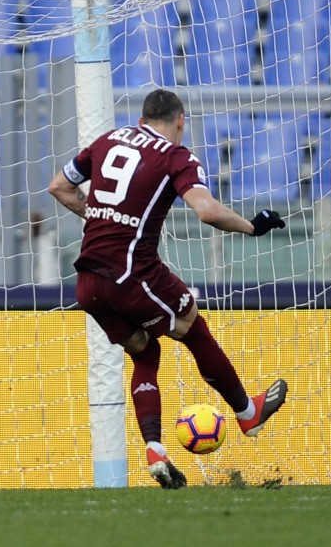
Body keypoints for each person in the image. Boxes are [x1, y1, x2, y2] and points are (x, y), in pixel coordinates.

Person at [47, 88, 289, 489]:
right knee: (192, 324)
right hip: (132, 273)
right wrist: (252, 225)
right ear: (180, 121)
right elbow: (207, 210)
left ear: (142, 118)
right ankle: (248, 413)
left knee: (146, 349)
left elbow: (58, 187)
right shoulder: (175, 155)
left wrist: (103, 217)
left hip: (88, 284)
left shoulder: (106, 141)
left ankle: (155, 450)